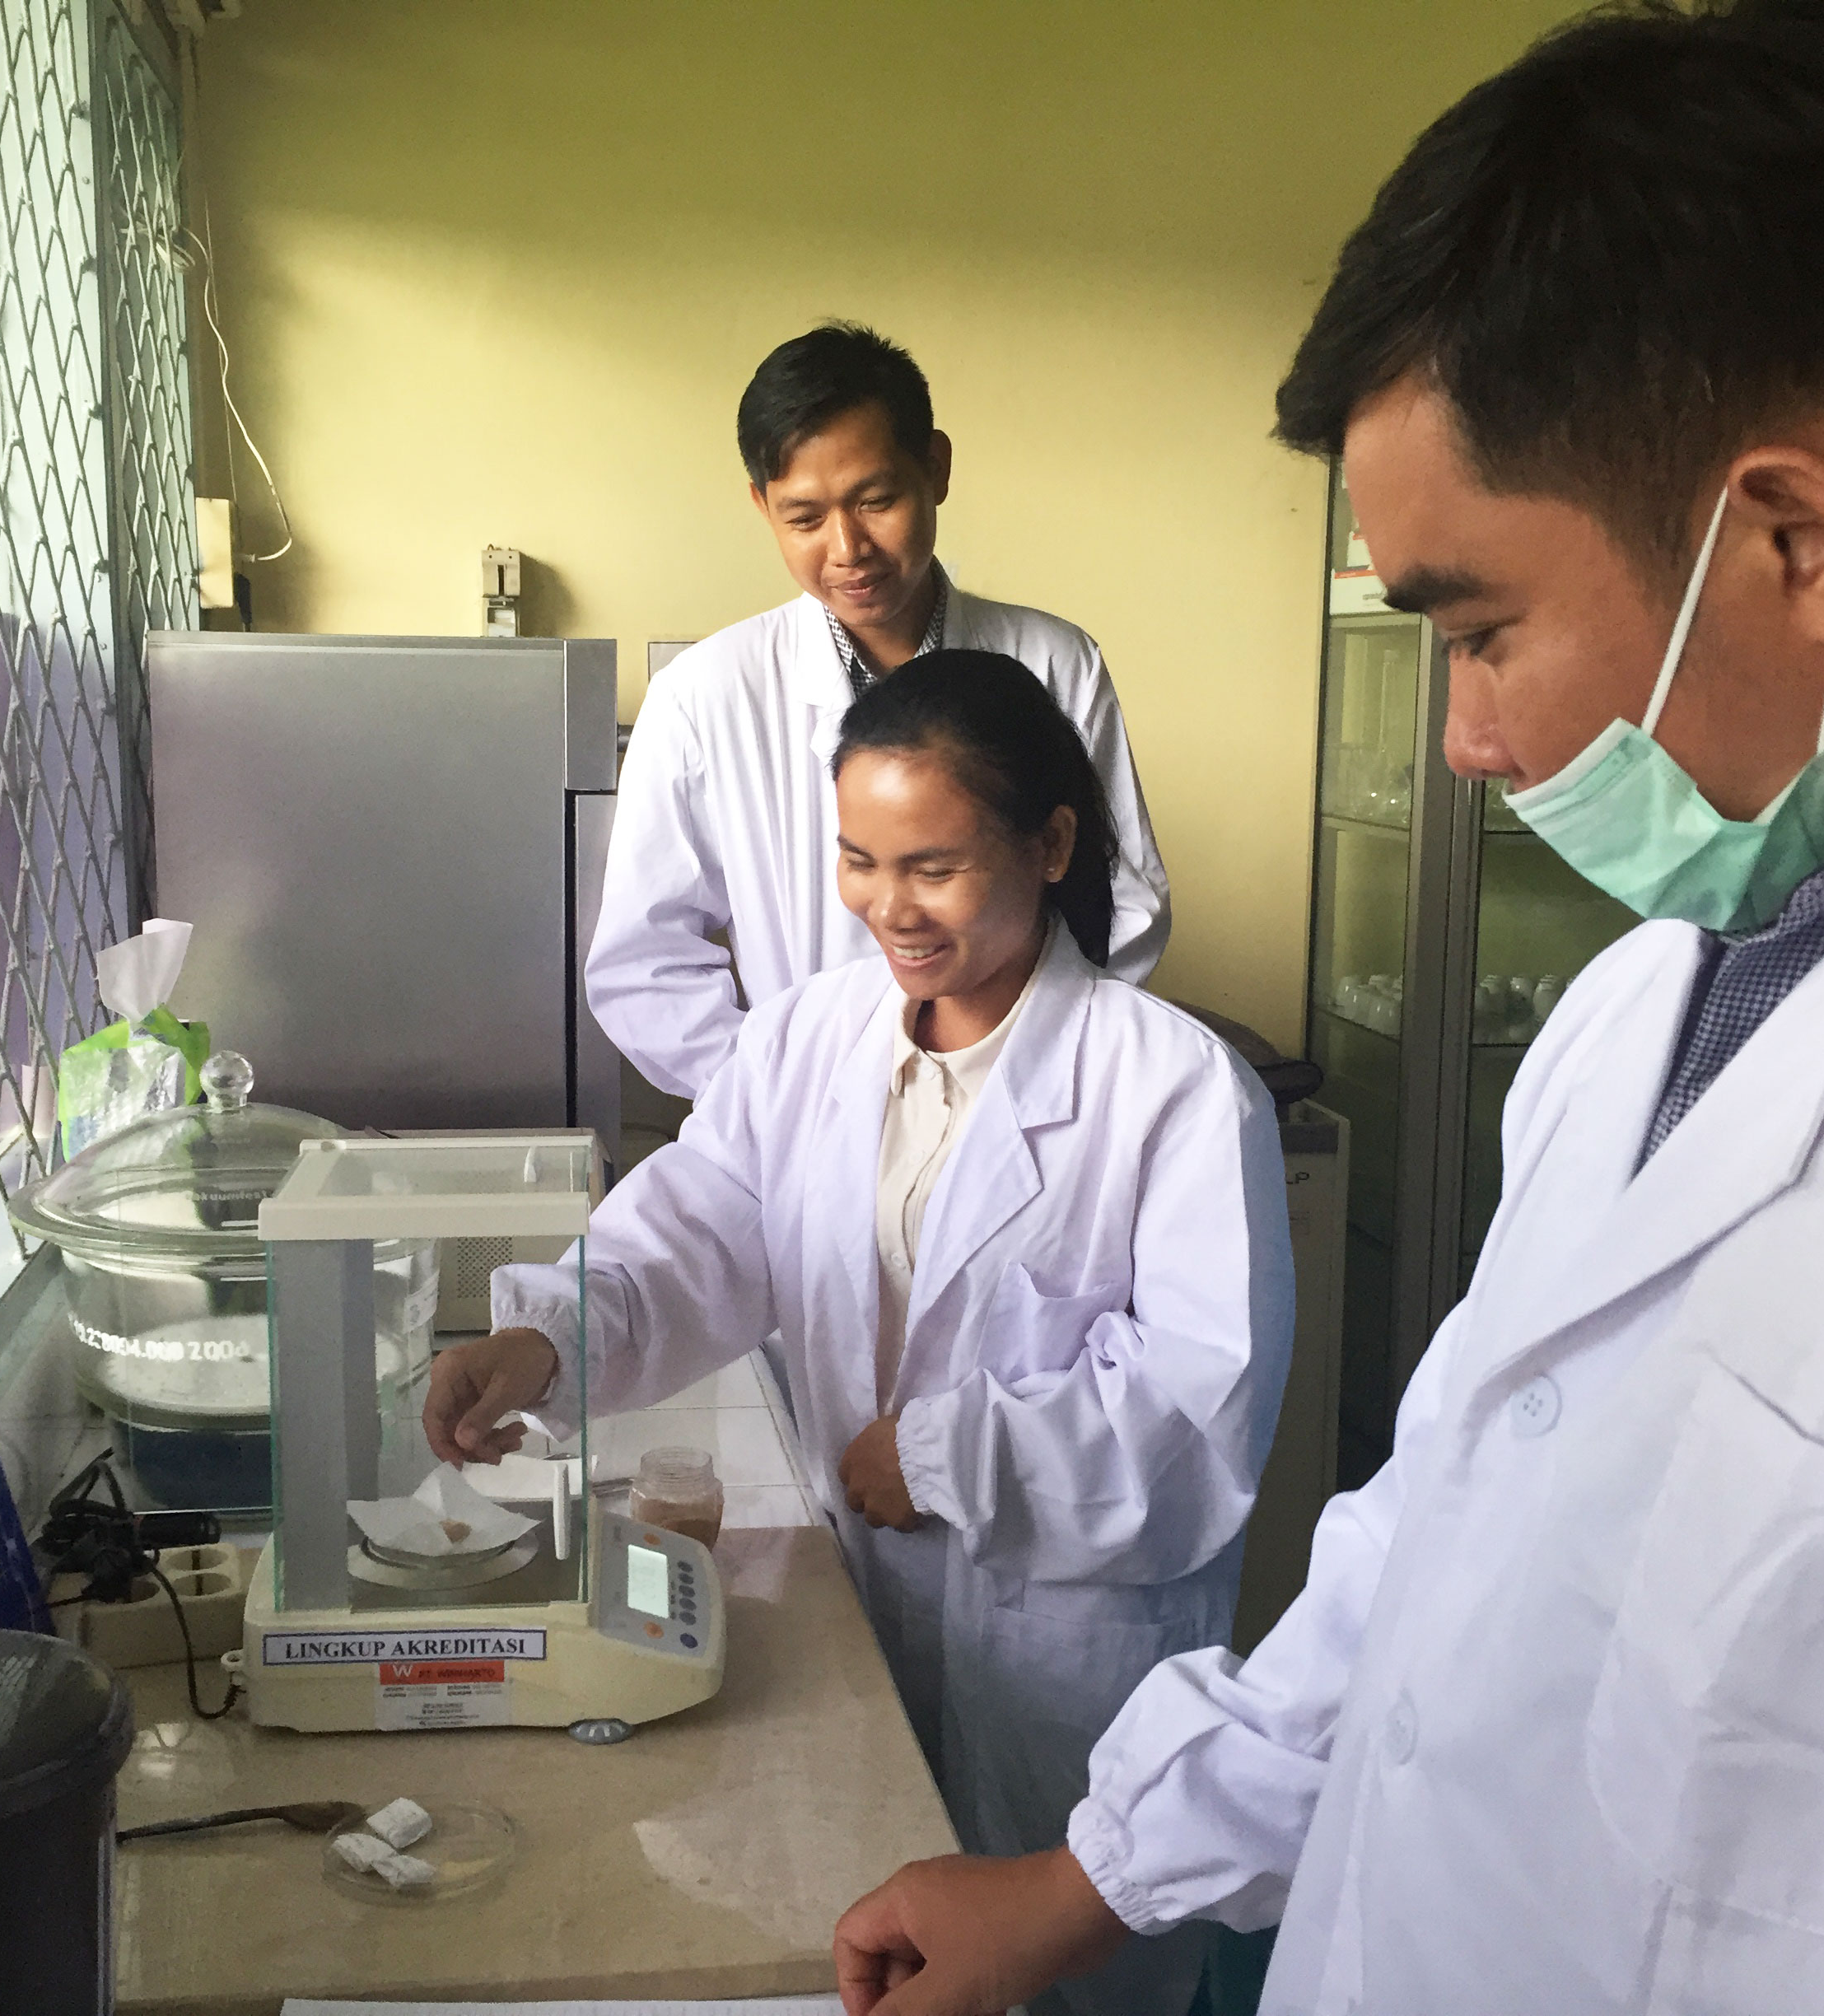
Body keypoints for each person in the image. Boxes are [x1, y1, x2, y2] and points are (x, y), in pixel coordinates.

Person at [832, 4, 1824, 2014]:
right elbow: (1447, 1521)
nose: (1459, 740)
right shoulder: (1667, 990)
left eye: (1479, 627)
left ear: (1799, 537)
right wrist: (1092, 1874)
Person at [428, 654, 1290, 2016]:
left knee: (1052, 1979)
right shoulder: (815, 1036)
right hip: (863, 1606)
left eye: (933, 866)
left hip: (1058, 1658)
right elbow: (703, 1219)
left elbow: (1192, 1412)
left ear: (1049, 843)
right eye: (856, 858)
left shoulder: (1173, 1089)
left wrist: (944, 1457)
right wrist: (544, 1337)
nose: (887, 906)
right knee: (876, 1945)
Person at [587, 324, 1173, 1102]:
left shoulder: (1054, 662)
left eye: (876, 500)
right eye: (804, 518)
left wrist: (1001, 1070)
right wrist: (777, 1096)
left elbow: (1123, 898)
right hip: (802, 1111)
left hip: (1017, 1093)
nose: (847, 548)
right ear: (762, 506)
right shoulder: (704, 695)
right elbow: (644, 961)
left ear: (935, 468)